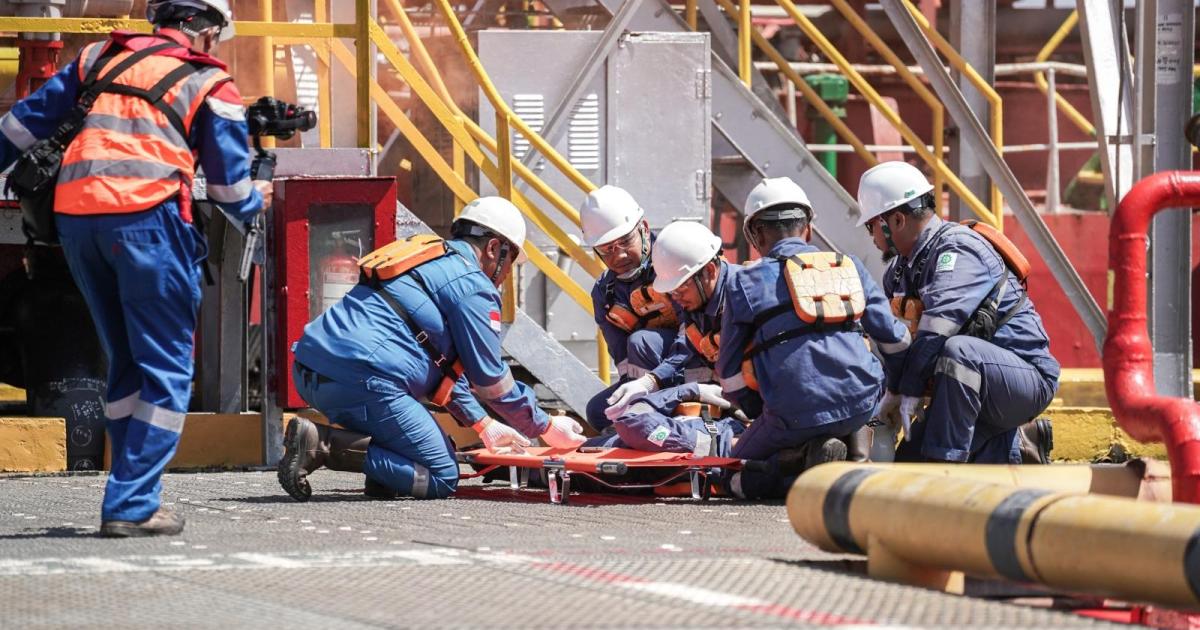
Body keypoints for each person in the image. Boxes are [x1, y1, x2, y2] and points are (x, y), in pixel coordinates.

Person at [0, 0, 268, 537]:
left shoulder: (97, 57)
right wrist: (258, 195)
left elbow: (17, 128)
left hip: (76, 222)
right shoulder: (208, 80)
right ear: (207, 32)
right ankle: (133, 502)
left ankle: (131, 488)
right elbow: (227, 190)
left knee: (125, 363)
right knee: (167, 369)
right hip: (148, 223)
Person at [279, 196, 587, 503]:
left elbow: (443, 370)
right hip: (363, 381)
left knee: (422, 441)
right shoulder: (473, 286)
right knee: (441, 474)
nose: (507, 274)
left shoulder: (425, 259)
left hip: (309, 371)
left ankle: (385, 477)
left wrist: (484, 424)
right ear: (494, 248)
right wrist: (545, 425)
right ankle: (321, 446)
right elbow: (490, 380)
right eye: (510, 261)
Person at [716, 177, 911, 499]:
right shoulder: (849, 266)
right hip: (861, 403)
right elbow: (895, 339)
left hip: (792, 414)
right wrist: (896, 389)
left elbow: (728, 373)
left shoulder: (743, 282)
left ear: (756, 234)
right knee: (847, 402)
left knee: (732, 472)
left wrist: (759, 410)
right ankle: (851, 453)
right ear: (807, 228)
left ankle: (801, 461)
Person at [856, 161, 1058, 464]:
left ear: (896, 220)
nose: (871, 236)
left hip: (1023, 380)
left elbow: (939, 327)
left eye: (871, 225)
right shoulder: (899, 274)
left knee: (959, 352)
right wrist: (893, 393)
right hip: (965, 388)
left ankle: (947, 470)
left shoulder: (959, 250)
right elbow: (899, 344)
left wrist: (910, 390)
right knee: (911, 464)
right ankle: (1022, 443)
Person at [600, 221, 745, 452]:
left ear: (709, 271)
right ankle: (713, 447)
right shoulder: (698, 299)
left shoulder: (744, 300)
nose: (676, 298)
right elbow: (685, 347)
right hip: (721, 408)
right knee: (625, 424)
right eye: (672, 291)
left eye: (680, 289)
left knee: (636, 425)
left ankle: (721, 449)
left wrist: (691, 393)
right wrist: (650, 382)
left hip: (743, 418)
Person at [581, 186, 681, 431]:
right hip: (646, 382)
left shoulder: (677, 260)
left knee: (642, 341)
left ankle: (651, 419)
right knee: (598, 411)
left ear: (644, 229)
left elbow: (697, 334)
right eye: (607, 249)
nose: (620, 256)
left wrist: (653, 380)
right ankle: (638, 419)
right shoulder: (605, 293)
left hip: (691, 367)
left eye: (626, 241)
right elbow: (624, 362)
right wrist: (628, 392)